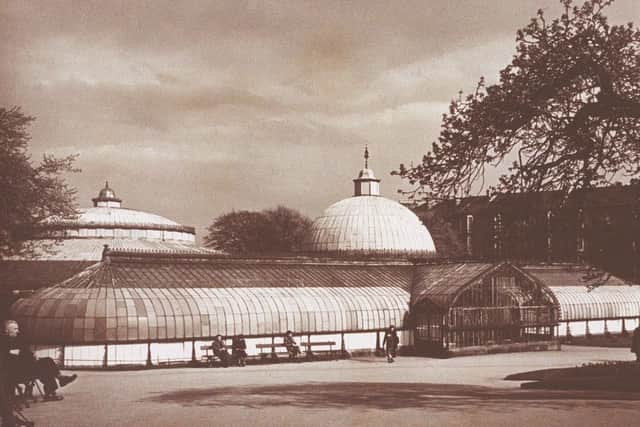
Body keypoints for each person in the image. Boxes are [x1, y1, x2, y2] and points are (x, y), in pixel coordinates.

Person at [3, 320, 77, 402]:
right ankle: (55, 385)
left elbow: (23, 353)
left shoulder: (18, 340)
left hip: (26, 367)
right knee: (46, 365)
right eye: (15, 329)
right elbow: (10, 357)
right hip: (16, 372)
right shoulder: (3, 342)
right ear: (7, 330)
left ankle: (57, 382)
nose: (18, 331)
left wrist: (32, 355)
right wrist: (26, 355)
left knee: (47, 362)